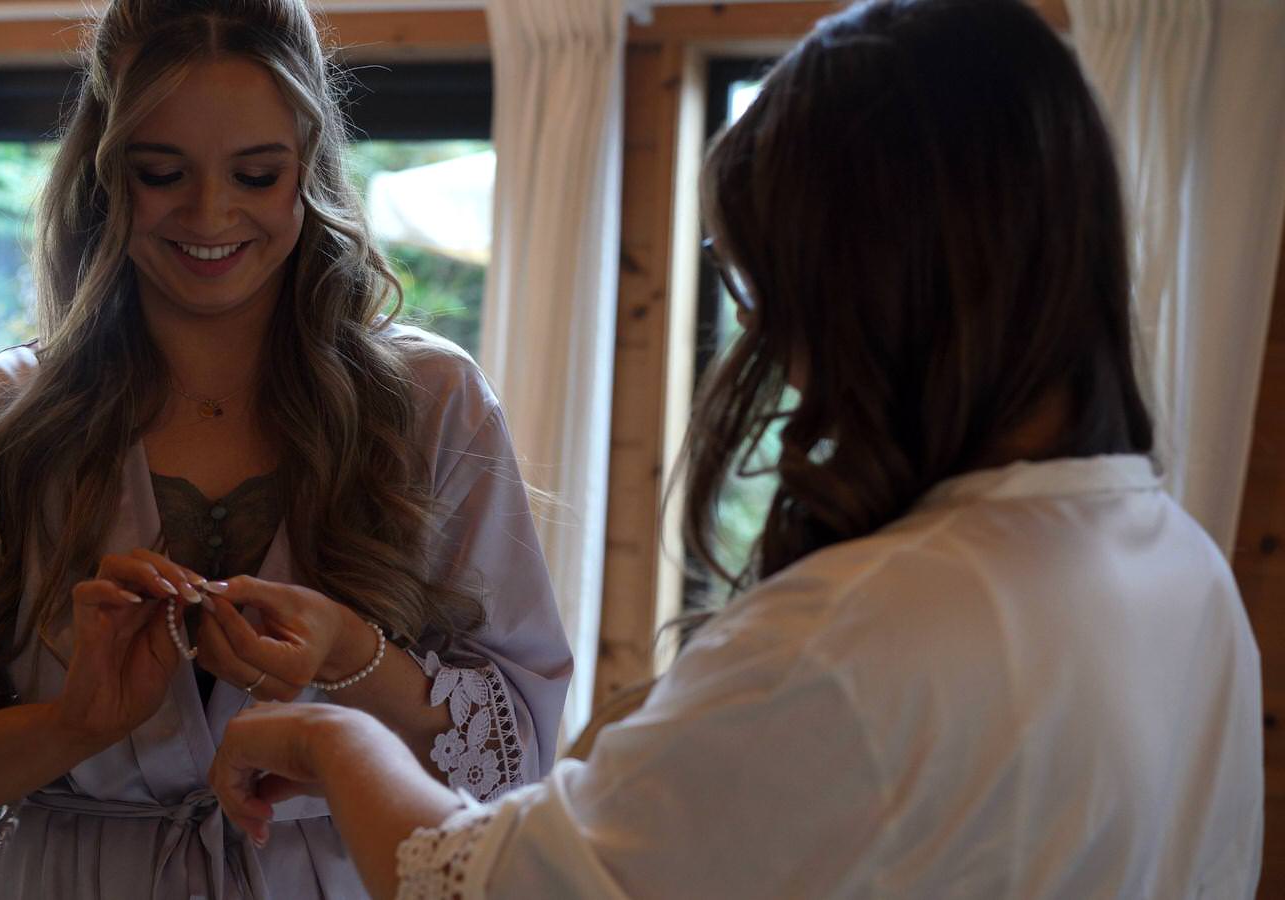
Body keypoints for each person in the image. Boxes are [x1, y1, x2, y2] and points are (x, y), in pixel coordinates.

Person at [206, 1, 1265, 897]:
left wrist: (330, 740)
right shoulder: (1184, 569)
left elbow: (500, 884)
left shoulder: (859, 639)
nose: (777, 352)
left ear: (859, 286)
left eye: (763, 286)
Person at [0, 1, 572, 897]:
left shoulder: (431, 406)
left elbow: (513, 754)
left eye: (256, 174)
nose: (211, 214)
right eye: (163, 172)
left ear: (310, 170)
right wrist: (75, 723)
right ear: (103, 172)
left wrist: (353, 656)